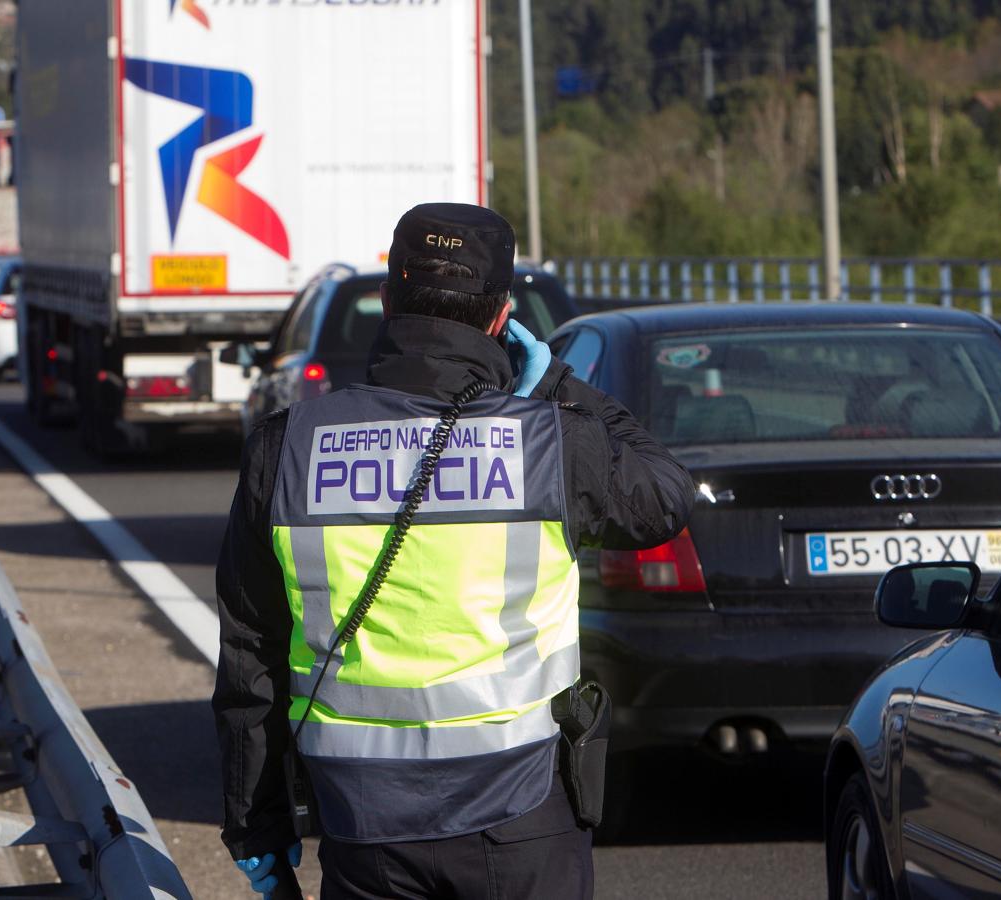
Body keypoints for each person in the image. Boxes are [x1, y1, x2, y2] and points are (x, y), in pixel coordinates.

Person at [213, 203, 694, 899]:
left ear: (386, 299)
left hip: (360, 820)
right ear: (501, 319)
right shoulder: (550, 441)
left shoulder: (286, 445)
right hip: (522, 812)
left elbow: (249, 654)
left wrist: (256, 833)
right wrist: (558, 383)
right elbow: (665, 496)